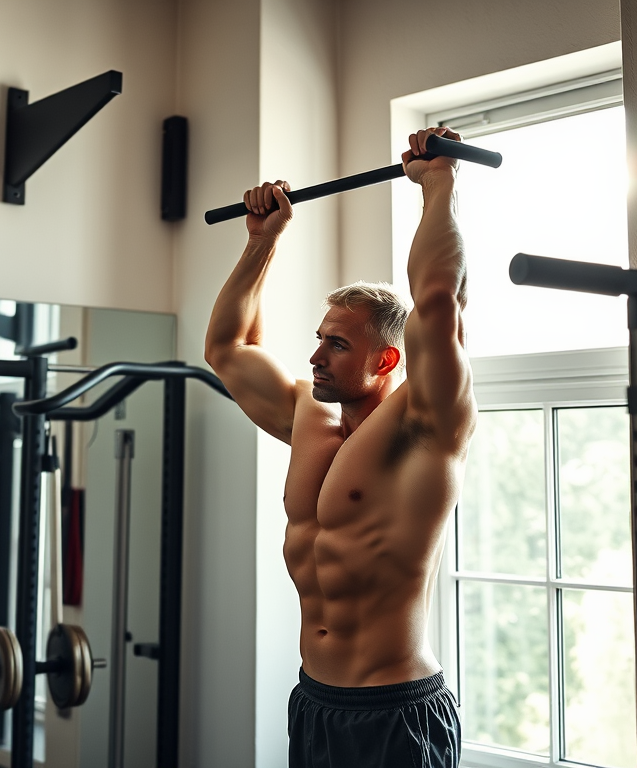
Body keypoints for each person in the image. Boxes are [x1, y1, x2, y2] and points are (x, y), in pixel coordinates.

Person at [204, 126, 476, 768]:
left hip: (396, 710)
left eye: (337, 345)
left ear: (387, 357)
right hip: (315, 701)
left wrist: (437, 187)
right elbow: (228, 350)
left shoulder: (423, 427)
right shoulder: (308, 413)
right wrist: (260, 242)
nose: (315, 355)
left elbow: (438, 303)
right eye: (321, 337)